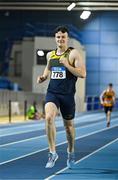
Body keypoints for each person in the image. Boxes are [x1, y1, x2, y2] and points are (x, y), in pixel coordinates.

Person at [37, 26, 86, 169]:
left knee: (69, 128)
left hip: (68, 95)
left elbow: (82, 74)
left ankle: (70, 152)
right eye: (58, 37)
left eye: (63, 37)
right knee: (48, 117)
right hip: (53, 93)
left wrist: (67, 65)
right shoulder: (50, 55)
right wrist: (43, 77)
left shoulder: (73, 53)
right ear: (55, 38)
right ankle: (52, 152)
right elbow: (48, 69)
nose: (60, 39)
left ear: (67, 38)